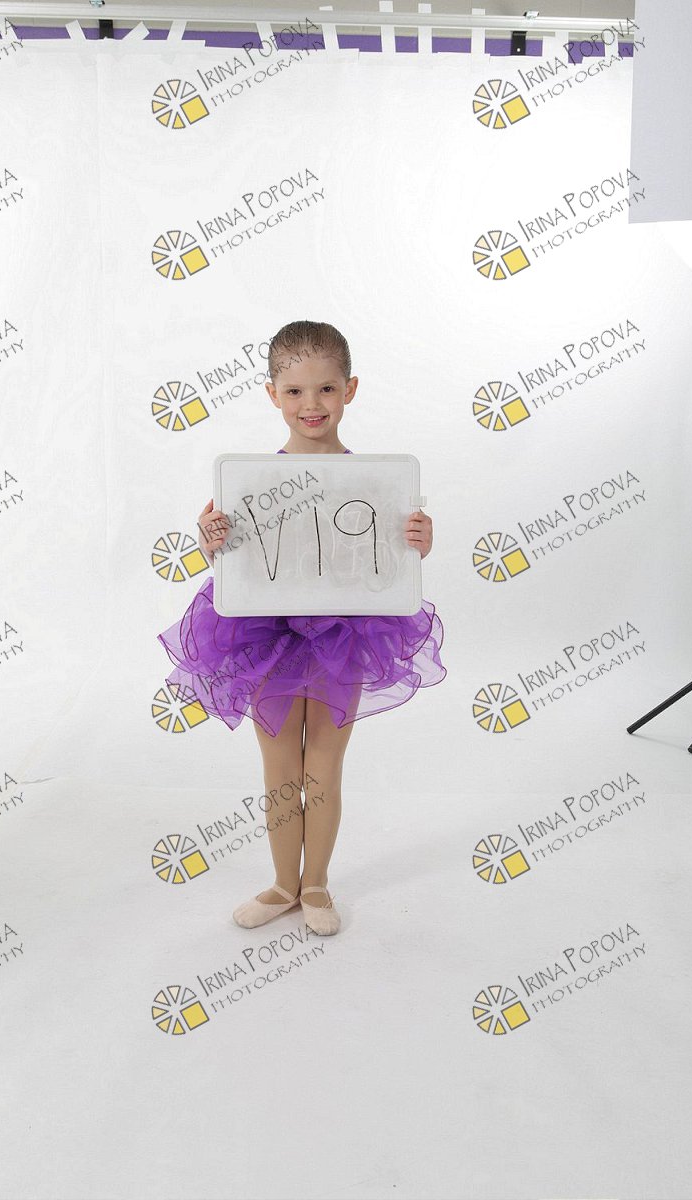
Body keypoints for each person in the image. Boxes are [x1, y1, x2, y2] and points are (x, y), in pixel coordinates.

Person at [157, 320, 446, 936]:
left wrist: (418, 540)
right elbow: (239, 561)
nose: (311, 404)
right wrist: (212, 541)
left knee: (325, 764)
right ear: (272, 395)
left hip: (345, 635)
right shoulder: (251, 483)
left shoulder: (377, 483)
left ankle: (315, 883)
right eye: (294, 391)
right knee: (280, 764)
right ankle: (283, 883)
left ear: (350, 390)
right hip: (268, 637)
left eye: (326, 389)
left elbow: (387, 558)